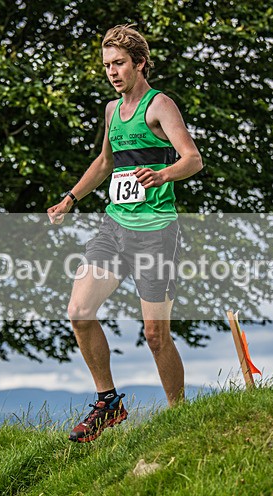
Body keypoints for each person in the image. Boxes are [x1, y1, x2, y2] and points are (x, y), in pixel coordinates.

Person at [47, 24, 203, 442]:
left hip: (155, 234)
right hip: (114, 227)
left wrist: (163, 173)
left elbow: (193, 159)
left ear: (140, 63)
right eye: (107, 65)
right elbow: (104, 163)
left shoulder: (160, 105)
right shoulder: (112, 111)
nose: (112, 72)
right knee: (79, 312)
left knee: (155, 336)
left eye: (119, 63)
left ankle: (178, 416)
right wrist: (70, 199)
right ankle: (108, 403)